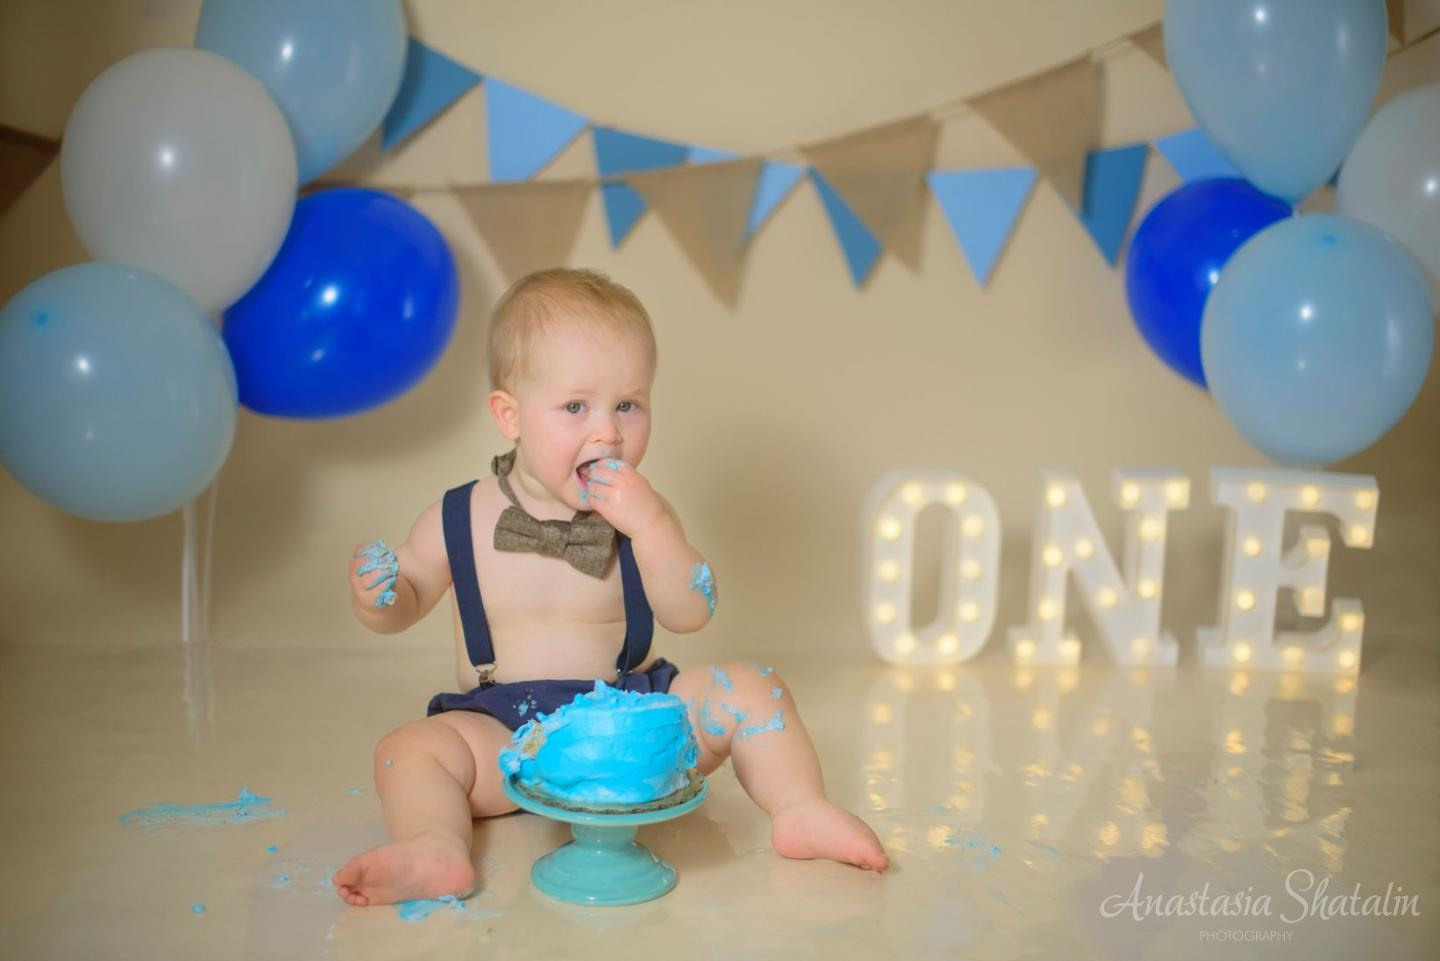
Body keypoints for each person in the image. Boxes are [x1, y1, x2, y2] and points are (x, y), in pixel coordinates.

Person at [333, 268, 888, 906]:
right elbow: (404, 602)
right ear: (509, 414)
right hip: (510, 740)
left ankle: (800, 809)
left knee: (754, 687)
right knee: (407, 751)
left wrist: (650, 525)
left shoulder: (643, 515)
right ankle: (435, 846)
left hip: (638, 724)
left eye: (628, 404)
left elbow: (691, 611)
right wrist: (378, 593)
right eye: (575, 407)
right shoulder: (457, 516)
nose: (608, 432)